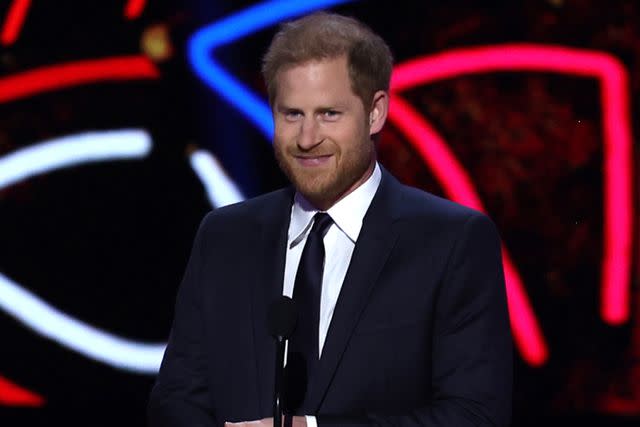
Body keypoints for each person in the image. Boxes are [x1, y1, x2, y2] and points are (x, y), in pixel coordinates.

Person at [148, 11, 512, 427]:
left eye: (328, 114)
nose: (306, 138)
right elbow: (176, 399)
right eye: (292, 114)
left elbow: (475, 415)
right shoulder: (225, 236)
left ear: (375, 113)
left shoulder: (451, 241)